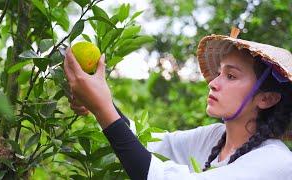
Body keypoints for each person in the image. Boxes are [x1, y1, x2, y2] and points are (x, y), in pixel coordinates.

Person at [63, 29, 292, 180]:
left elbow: (159, 176)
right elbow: (145, 142)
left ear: (267, 98)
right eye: (219, 73)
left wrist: (103, 108)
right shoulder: (215, 137)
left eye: (231, 76)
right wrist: (98, 102)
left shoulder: (277, 163)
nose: (213, 83)